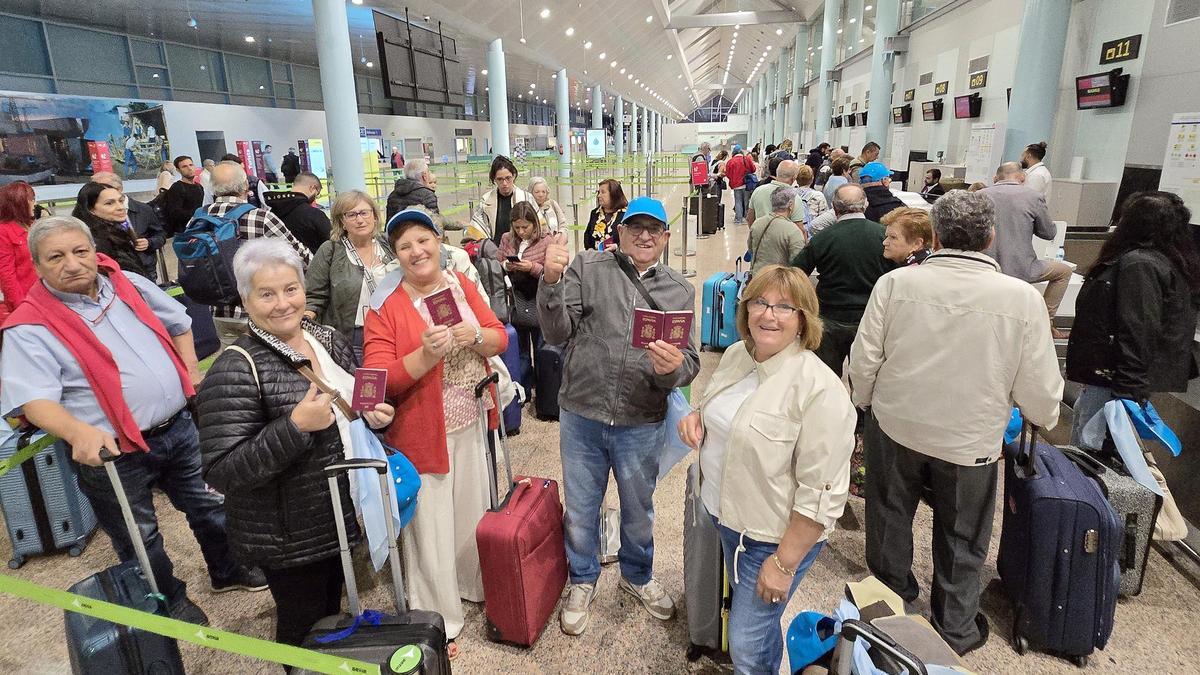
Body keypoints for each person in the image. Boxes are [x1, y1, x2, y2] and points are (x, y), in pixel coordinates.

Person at [0, 216, 267, 628]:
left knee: (209, 504)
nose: (72, 263)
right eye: (56, 257)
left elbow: (179, 323)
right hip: (113, 453)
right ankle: (169, 600)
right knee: (139, 535)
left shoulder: (125, 284)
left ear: (93, 251)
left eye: (80, 251)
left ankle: (228, 571)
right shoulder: (30, 327)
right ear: (37, 266)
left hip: (178, 428)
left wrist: (190, 366)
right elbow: (34, 402)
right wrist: (76, 432)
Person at [848, 189, 1063, 655]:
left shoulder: (898, 285)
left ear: (938, 235)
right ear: (989, 237)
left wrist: (863, 404)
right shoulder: (1021, 299)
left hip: (896, 425)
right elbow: (1042, 391)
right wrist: (1040, 418)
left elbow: (865, 358)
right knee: (963, 534)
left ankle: (889, 609)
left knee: (888, 518)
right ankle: (955, 627)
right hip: (971, 441)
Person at [196, 238, 394, 648]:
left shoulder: (327, 337)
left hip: (339, 516)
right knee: (302, 624)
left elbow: (355, 395)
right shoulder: (236, 368)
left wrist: (375, 413)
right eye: (266, 294)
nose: (283, 303)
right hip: (288, 534)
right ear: (245, 300)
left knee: (330, 613)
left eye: (290, 289)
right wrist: (294, 427)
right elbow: (221, 469)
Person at [678, 265, 855, 674]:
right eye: (760, 302)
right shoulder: (740, 355)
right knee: (756, 625)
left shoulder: (820, 390)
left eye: (784, 308)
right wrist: (698, 416)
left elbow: (822, 492)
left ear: (803, 320)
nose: (768, 315)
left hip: (770, 540)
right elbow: (720, 405)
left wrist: (783, 564)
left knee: (746, 642)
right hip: (727, 520)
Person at [538, 196, 701, 636]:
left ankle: (637, 574)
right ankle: (582, 578)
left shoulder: (678, 289)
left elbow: (690, 360)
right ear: (620, 232)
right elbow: (556, 332)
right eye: (635, 228)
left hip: (641, 418)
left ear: (666, 238)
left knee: (638, 509)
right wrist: (551, 281)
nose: (645, 236)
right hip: (583, 413)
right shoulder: (589, 269)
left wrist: (674, 370)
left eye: (654, 229)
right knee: (581, 506)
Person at [363, 207, 507, 657]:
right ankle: (438, 617)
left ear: (438, 243)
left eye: (423, 240)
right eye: (405, 246)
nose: (416, 251)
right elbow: (376, 374)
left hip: (471, 421)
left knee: (469, 513)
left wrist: (474, 336)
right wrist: (424, 356)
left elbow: (499, 335)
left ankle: (472, 586)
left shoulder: (460, 284)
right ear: (396, 256)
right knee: (431, 526)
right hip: (423, 434)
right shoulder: (384, 307)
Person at [1066, 191, 1200, 448]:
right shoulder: (1166, 262)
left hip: (1113, 381)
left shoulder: (1139, 264)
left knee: (1091, 452)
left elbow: (1138, 329)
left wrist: (1127, 393)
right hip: (1114, 379)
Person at [193, 161, 313, 347]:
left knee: (236, 362)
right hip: (262, 311)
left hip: (218, 312)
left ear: (213, 189)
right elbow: (300, 257)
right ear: (246, 186)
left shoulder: (197, 219)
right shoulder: (260, 217)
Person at [792, 184, 896, 377]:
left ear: (834, 207)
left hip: (829, 320)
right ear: (866, 204)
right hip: (870, 319)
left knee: (826, 379)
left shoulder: (823, 238)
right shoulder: (884, 238)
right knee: (865, 378)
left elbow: (795, 274)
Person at [304, 190, 398, 359]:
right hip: (352, 338)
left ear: (375, 217)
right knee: (360, 385)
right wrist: (301, 323)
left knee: (391, 383)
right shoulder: (330, 250)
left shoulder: (390, 246)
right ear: (342, 222)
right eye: (352, 215)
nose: (360, 220)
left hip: (392, 332)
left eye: (364, 213)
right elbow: (314, 296)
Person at [981, 162, 1070, 337]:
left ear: (995, 178)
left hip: (985, 266)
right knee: (1064, 272)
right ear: (1022, 177)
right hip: (1022, 268)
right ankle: (1045, 324)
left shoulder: (979, 195)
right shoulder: (1033, 196)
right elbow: (1049, 233)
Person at [497, 201, 563, 396]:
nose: (521, 231)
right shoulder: (507, 238)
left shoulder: (546, 240)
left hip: (539, 299)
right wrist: (507, 266)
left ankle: (545, 392)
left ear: (534, 223)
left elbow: (554, 272)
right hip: (516, 299)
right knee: (520, 348)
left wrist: (531, 268)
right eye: (517, 227)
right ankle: (523, 388)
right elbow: (498, 260)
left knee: (542, 345)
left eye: (525, 227)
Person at [91, 172, 168, 284]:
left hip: (145, 270)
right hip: (112, 273)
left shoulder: (143, 209)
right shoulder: (93, 215)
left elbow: (160, 235)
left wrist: (149, 242)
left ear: (119, 188)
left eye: (104, 188)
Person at [72, 182, 149, 279]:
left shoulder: (116, 232)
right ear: (91, 209)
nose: (121, 207)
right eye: (109, 203)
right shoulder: (95, 242)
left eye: (121, 201)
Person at [470, 155, 536, 247]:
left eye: (508, 178)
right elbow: (478, 231)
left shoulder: (527, 198)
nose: (504, 183)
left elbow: (538, 228)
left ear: (514, 176)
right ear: (494, 180)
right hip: (494, 251)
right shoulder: (486, 200)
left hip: (524, 249)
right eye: (500, 179)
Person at [263, 172, 333, 255]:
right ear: (312, 188)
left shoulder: (271, 213)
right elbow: (333, 243)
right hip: (313, 265)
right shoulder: (315, 215)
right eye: (316, 194)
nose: (315, 198)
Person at [0, 181, 38, 312]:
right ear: (18, 203)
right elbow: (6, 275)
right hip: (26, 301)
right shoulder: (4, 231)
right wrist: (21, 308)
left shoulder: (34, 226)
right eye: (31, 200)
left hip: (46, 296)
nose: (35, 204)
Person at [749, 188, 806, 275]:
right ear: (790, 205)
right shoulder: (793, 230)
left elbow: (750, 249)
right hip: (779, 281)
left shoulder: (757, 223)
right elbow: (798, 263)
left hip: (757, 278)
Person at [747, 160, 806, 228]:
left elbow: (750, 218)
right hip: (783, 237)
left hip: (760, 235)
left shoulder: (758, 191)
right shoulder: (794, 197)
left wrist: (756, 234)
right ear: (794, 178)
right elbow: (798, 227)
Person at [163, 155, 205, 236]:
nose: (189, 168)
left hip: (198, 228)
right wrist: (196, 216)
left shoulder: (199, 187)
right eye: (184, 166)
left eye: (191, 165)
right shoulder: (177, 187)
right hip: (184, 232)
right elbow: (175, 213)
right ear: (178, 170)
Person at [584, 178, 629, 251]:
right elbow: (587, 236)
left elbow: (632, 240)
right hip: (596, 258)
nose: (599, 196)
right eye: (599, 192)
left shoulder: (626, 215)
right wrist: (590, 250)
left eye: (603, 192)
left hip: (618, 259)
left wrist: (617, 247)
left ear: (614, 194)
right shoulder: (595, 213)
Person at [724, 146, 756, 225]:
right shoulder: (747, 159)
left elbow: (727, 174)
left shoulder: (730, 162)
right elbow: (753, 169)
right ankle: (746, 218)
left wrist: (734, 178)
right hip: (747, 184)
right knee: (746, 201)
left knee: (738, 201)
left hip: (736, 185)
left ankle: (739, 219)